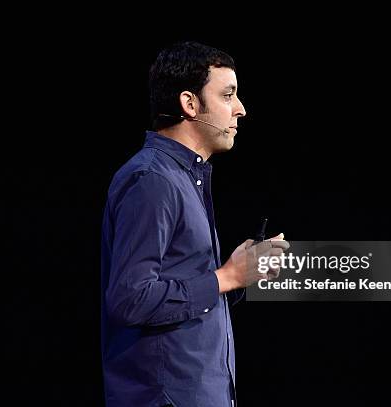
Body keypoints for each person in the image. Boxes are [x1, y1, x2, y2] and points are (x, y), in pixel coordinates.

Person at [101, 41, 289, 407]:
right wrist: (228, 276)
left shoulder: (187, 178)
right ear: (190, 104)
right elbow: (129, 299)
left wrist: (239, 274)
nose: (241, 109)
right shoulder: (152, 180)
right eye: (228, 95)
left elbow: (180, 289)